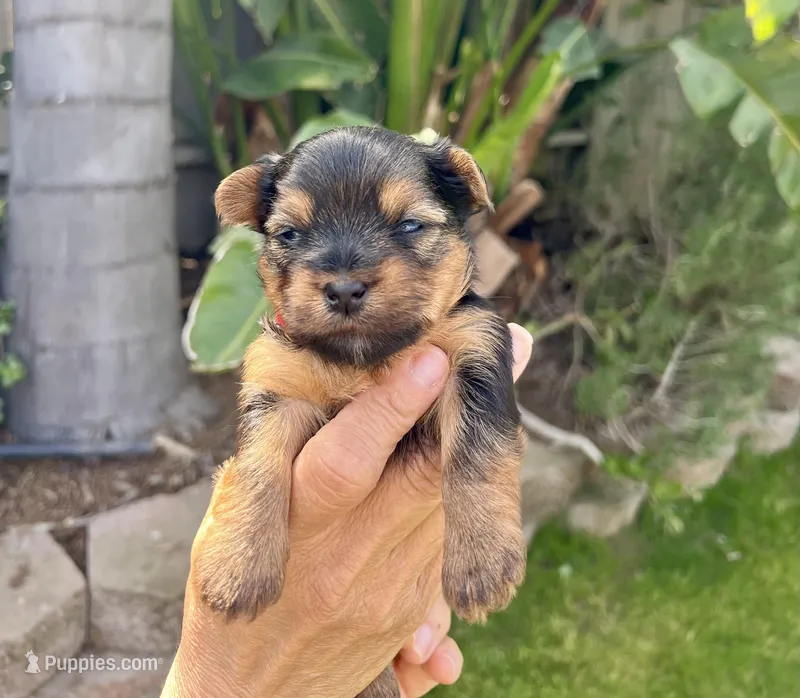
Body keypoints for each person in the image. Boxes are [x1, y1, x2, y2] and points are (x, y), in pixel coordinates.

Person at [161, 325, 533, 698]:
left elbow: (487, 420)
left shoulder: (458, 327)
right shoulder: (288, 347)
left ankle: (373, 670)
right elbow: (268, 429)